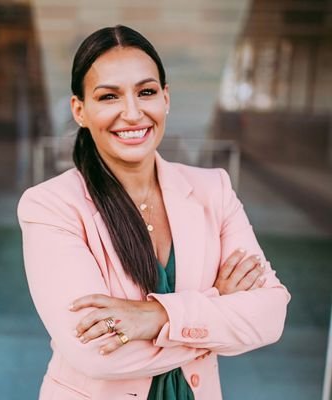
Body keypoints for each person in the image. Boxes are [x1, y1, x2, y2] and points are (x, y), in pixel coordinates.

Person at [18, 25, 290, 400]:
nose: (132, 113)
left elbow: (270, 315)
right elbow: (96, 354)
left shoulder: (214, 189)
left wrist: (155, 317)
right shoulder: (50, 205)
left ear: (165, 98)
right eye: (108, 96)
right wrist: (217, 307)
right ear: (79, 110)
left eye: (146, 92)